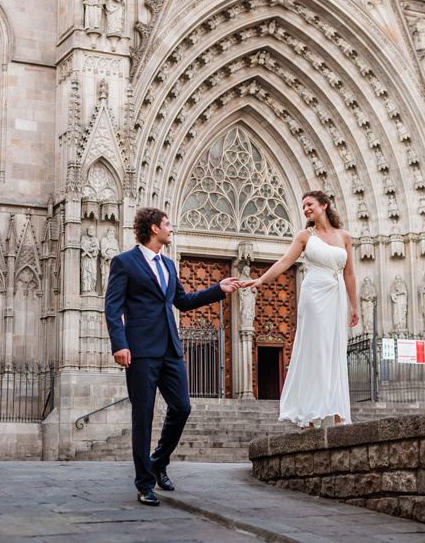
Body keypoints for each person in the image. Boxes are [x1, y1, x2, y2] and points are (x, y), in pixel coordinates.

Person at [104, 208, 239, 506]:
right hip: (139, 351)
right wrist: (119, 344)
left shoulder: (168, 264)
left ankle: (159, 461)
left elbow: (182, 301)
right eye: (167, 224)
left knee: (182, 407)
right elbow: (112, 308)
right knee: (143, 416)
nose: (171, 229)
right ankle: (144, 483)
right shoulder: (124, 262)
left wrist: (219, 289)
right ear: (154, 229)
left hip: (171, 349)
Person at [240, 191, 359, 429]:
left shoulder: (344, 237)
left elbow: (349, 273)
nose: (305, 209)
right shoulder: (305, 236)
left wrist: (354, 305)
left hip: (335, 296)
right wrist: (260, 280)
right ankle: (310, 412)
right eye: (303, 206)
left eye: (309, 204)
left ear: (324, 205)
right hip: (314, 294)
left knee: (334, 349)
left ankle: (334, 407)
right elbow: (285, 262)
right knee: (316, 349)